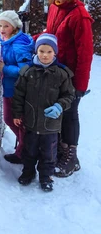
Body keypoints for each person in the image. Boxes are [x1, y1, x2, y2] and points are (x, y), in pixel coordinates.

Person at [39, 0, 93, 177]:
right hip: (56, 71)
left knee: (70, 113)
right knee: (59, 112)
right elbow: (51, 34)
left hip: (71, 74)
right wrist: (33, 40)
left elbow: (85, 52)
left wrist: (80, 85)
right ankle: (61, 151)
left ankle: (71, 158)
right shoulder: (55, 7)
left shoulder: (79, 15)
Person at [12, 34, 75, 192]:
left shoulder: (62, 74)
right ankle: (28, 172)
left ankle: (46, 177)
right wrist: (17, 114)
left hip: (51, 125)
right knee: (29, 150)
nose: (45, 55)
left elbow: (69, 95)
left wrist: (60, 106)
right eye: (41, 51)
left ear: (55, 53)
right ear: (36, 51)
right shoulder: (28, 73)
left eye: (49, 51)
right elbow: (18, 95)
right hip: (31, 123)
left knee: (49, 153)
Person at [0, 10, 34, 164]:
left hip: (17, 91)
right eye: (0, 25)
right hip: (10, 89)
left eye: (6, 25)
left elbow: (25, 70)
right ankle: (26, 148)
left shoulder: (18, 44)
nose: (2, 29)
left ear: (14, 27)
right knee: (10, 119)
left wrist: (4, 69)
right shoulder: (7, 40)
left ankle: (24, 152)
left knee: (16, 121)